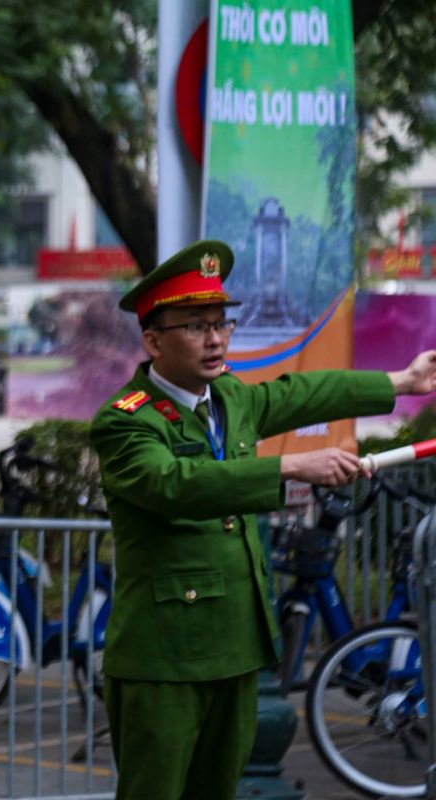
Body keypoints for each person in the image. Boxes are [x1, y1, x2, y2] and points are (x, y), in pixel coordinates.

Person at [90, 239, 436, 800]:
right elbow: (176, 484)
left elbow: (299, 393)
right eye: (196, 325)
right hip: (166, 658)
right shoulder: (126, 421)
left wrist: (399, 382)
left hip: (235, 645)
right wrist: (291, 465)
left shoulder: (226, 395)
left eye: (221, 322)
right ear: (153, 341)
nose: (216, 338)